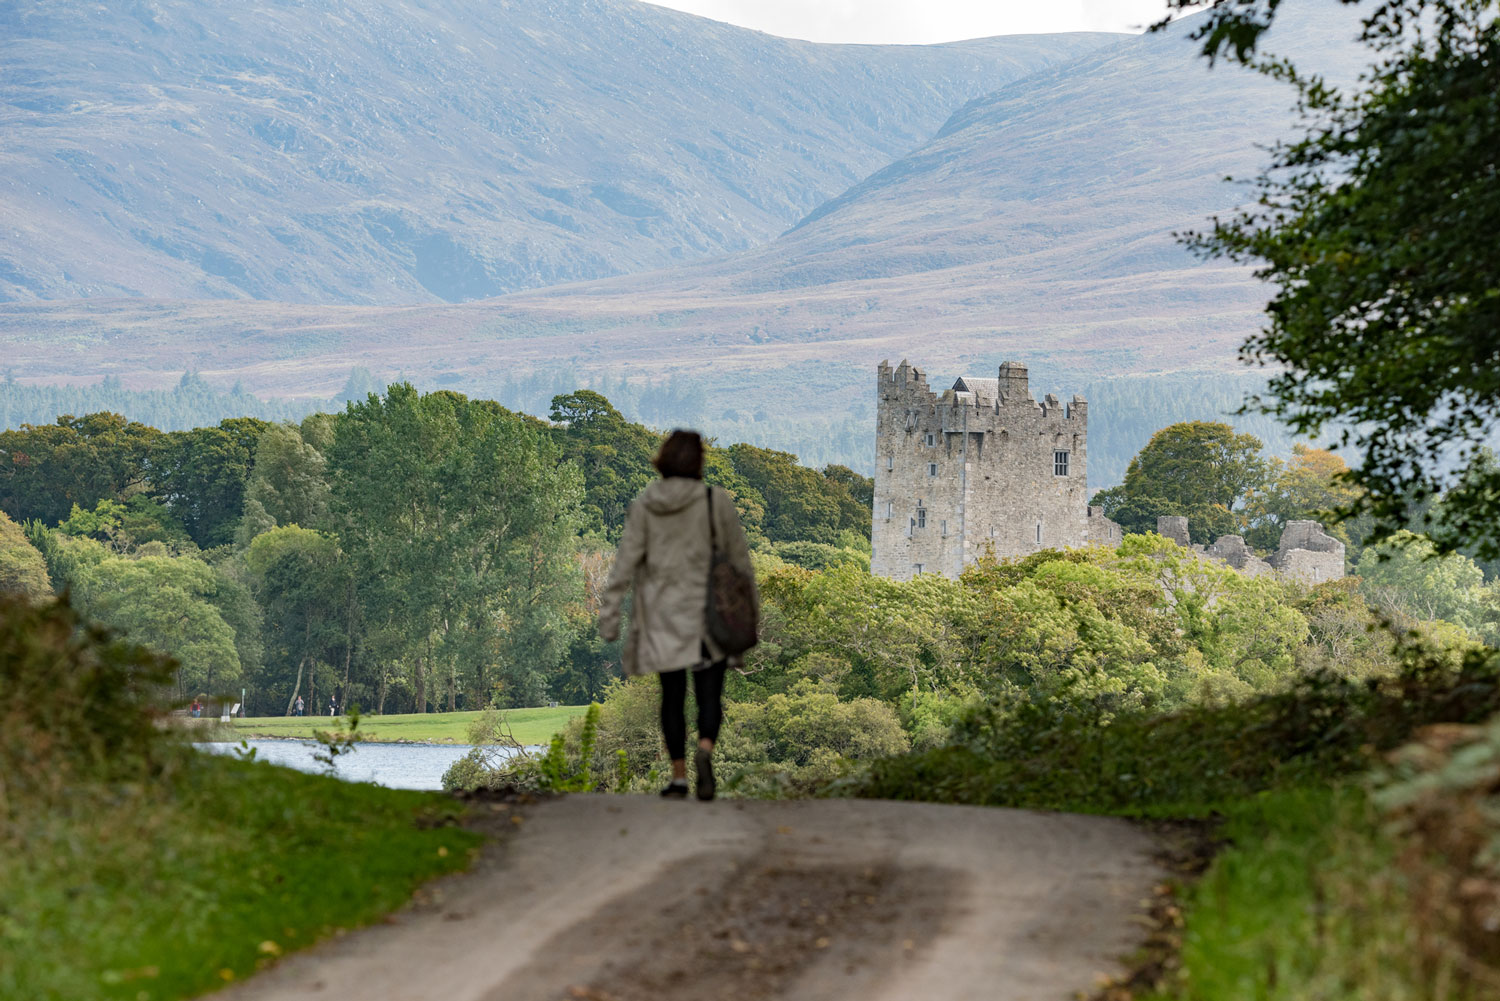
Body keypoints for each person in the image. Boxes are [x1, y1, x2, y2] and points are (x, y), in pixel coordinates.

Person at [599, 429, 758, 802]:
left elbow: (624, 564)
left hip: (661, 615)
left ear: (663, 460)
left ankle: (679, 777)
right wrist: (750, 612)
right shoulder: (713, 501)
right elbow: (740, 562)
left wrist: (610, 615)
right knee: (709, 694)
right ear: (699, 462)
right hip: (708, 613)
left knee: (671, 696)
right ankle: (705, 748)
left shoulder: (646, 504)